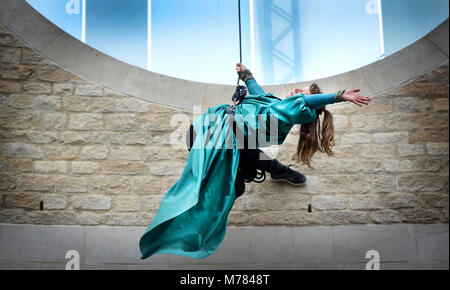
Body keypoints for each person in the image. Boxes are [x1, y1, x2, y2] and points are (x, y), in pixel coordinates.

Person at [139, 63, 371, 259]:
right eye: (300, 89)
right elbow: (258, 91)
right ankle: (275, 169)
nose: (297, 90)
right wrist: (246, 75)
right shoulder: (274, 104)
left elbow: (309, 103)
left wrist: (338, 96)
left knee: (235, 183)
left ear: (306, 105)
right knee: (234, 177)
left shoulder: (294, 110)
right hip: (212, 131)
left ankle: (195, 221)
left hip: (216, 136)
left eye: (304, 91)